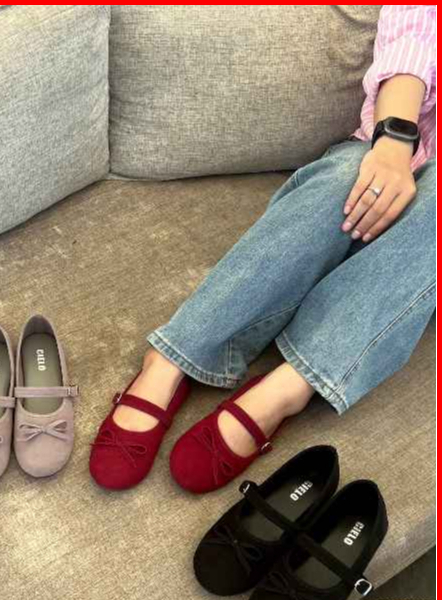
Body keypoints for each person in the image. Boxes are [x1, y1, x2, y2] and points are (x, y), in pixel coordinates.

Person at [89, 5, 437, 492]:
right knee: (346, 177)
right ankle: (176, 354)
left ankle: (288, 387)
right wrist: (393, 143)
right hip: (402, 137)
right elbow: (414, 34)